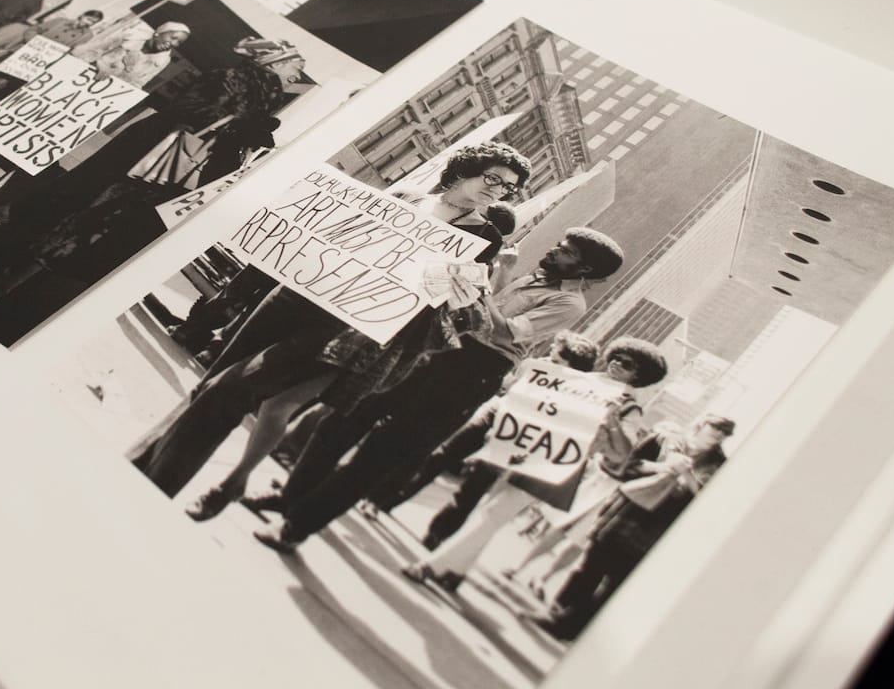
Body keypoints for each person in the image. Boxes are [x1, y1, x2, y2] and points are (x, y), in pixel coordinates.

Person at [128, 143, 533, 507]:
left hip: (349, 323)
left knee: (233, 389)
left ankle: (156, 487)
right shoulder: (405, 197)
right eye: (493, 178)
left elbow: (446, 293)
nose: (498, 190)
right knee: (209, 384)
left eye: (507, 188)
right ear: (464, 170)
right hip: (294, 296)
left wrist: (458, 292)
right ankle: (144, 461)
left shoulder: (486, 237)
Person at [252, 227, 625, 554]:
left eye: (566, 252)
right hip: (445, 348)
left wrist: (486, 283)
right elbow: (481, 312)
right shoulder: (536, 278)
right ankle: (288, 500)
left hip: (476, 371)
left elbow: (503, 331)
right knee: (345, 417)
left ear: (585, 269)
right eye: (560, 245)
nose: (554, 251)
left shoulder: (569, 302)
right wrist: (493, 280)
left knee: (380, 452)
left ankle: (295, 528)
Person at [0, 38, 311, 344]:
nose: (298, 73)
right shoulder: (235, 80)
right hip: (151, 168)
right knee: (75, 230)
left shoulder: (257, 96)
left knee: (71, 227)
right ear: (274, 61)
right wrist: (243, 129)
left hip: (159, 175)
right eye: (295, 64)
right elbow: (191, 112)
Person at [398, 336, 666, 591]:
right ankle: (457, 571)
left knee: (493, 514)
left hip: (558, 463)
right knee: (490, 509)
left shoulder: (628, 407)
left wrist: (611, 424)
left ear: (639, 376)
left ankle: (431, 567)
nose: (617, 364)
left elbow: (621, 454)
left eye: (628, 364)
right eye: (617, 356)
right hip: (525, 448)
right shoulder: (585, 380)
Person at [363, 330, 601, 541]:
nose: (547, 360)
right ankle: (384, 501)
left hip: (518, 432)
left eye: (556, 360)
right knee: (439, 456)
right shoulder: (533, 365)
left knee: (475, 485)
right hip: (497, 413)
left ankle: (437, 535)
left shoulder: (574, 392)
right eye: (551, 354)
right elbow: (509, 386)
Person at [524, 415, 735, 640]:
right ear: (702, 425)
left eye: (724, 433)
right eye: (716, 428)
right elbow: (629, 466)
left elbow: (706, 496)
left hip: (658, 522)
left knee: (615, 579)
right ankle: (556, 612)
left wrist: (686, 474)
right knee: (591, 563)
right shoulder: (667, 439)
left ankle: (573, 628)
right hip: (627, 508)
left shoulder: (718, 464)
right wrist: (664, 466)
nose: (719, 435)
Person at [0, 10, 106, 119]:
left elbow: (72, 51)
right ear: (82, 15)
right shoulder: (60, 21)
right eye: (88, 18)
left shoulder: (86, 36)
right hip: (20, 53)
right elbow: (31, 30)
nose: (88, 22)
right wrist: (37, 43)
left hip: (35, 64)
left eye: (92, 21)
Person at [86, 21, 190, 87]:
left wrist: (123, 74)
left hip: (101, 92)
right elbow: (91, 50)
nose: (173, 43)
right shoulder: (130, 36)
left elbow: (138, 84)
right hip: (84, 76)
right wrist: (100, 66)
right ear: (159, 32)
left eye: (179, 42)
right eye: (173, 37)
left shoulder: (163, 61)